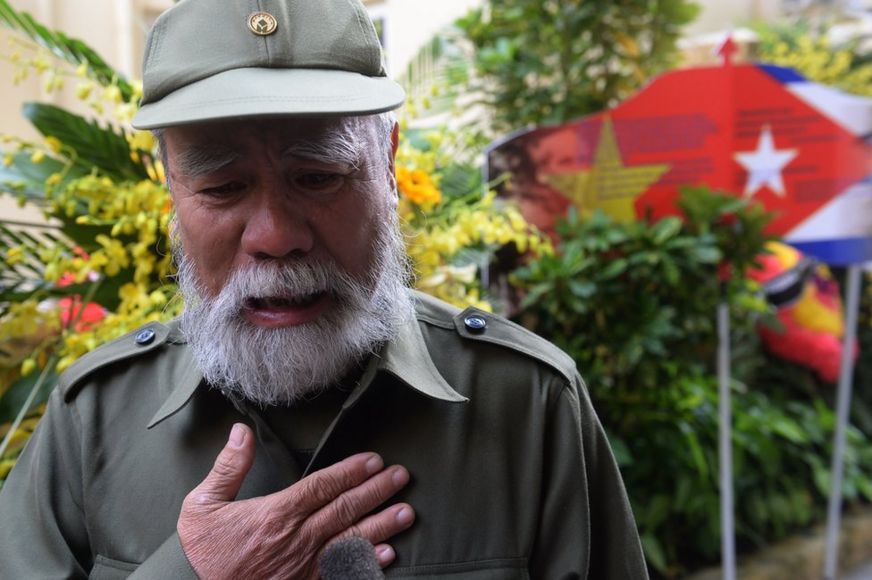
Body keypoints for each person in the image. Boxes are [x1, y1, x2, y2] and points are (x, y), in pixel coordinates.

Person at [0, 0, 649, 578]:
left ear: (389, 165)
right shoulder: (92, 420)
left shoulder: (528, 406)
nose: (276, 235)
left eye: (319, 176)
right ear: (171, 183)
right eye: (224, 187)